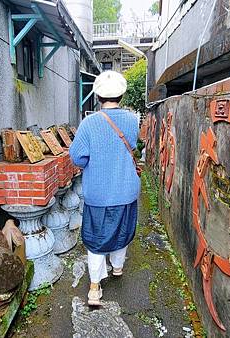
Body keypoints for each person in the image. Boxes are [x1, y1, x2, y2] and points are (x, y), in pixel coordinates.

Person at [69, 71, 141, 306]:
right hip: (127, 190)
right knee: (122, 230)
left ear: (97, 95)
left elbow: (77, 157)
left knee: (96, 238)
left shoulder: (89, 123)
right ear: (122, 94)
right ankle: (117, 267)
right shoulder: (132, 120)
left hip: (99, 193)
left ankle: (94, 288)